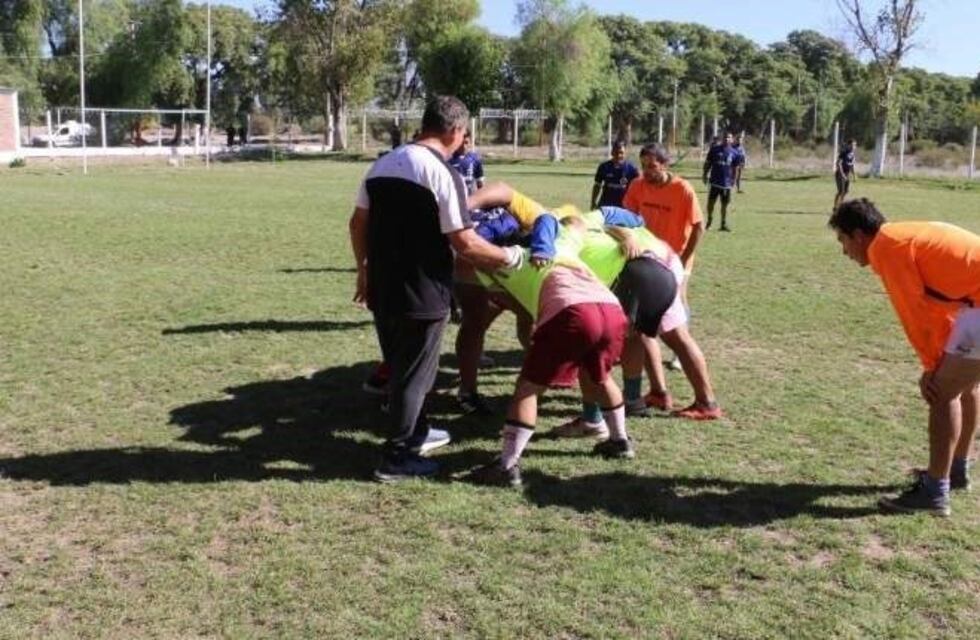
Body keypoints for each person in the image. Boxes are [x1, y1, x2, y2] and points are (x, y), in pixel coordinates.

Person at [349, 95, 523, 483]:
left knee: (402, 366)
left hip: (383, 287)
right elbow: (466, 243)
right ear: (457, 132)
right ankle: (397, 458)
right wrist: (511, 258)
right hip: (422, 291)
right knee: (416, 375)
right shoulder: (442, 173)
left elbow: (357, 223)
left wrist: (363, 269)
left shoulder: (382, 164)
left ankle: (418, 432)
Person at [829, 198, 980, 517]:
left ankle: (935, 492)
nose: (844, 252)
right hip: (973, 304)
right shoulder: (900, 236)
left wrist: (931, 366)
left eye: (842, 241)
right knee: (964, 386)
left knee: (941, 392)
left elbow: (915, 314)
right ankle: (956, 470)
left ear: (858, 235)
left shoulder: (887, 248)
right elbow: (940, 307)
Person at [467, 214, 635, 487]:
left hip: (573, 312)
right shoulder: (564, 244)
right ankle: (620, 441)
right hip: (611, 307)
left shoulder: (510, 257)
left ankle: (506, 466)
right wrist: (545, 236)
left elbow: (475, 258)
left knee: (528, 388)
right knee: (600, 377)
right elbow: (570, 221)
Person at [702, 132, 738, 231]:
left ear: (732, 140)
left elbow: (735, 168)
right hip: (714, 182)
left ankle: (723, 224)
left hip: (726, 184)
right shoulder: (714, 150)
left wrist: (734, 180)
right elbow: (708, 163)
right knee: (711, 203)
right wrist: (705, 174)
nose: (727, 139)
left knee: (725, 205)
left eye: (729, 137)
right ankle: (709, 221)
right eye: (725, 137)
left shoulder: (735, 153)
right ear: (722, 138)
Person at [590, 140, 640, 209]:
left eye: (621, 153)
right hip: (606, 205)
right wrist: (593, 202)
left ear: (625, 153)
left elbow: (639, 189)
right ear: (612, 152)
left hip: (624, 207)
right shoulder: (604, 167)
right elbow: (597, 185)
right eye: (616, 152)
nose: (619, 155)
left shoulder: (632, 169)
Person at [448, 131, 485, 195]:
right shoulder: (448, 159)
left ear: (470, 143)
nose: (463, 146)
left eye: (466, 142)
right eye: (461, 143)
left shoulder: (475, 159)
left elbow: (480, 183)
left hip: (470, 199)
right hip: (453, 198)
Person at [833, 139, 857, 211]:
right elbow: (838, 164)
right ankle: (835, 207)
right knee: (841, 191)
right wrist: (842, 174)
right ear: (848, 145)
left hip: (847, 174)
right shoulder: (843, 153)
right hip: (840, 174)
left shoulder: (852, 155)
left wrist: (854, 175)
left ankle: (840, 205)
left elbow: (852, 165)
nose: (853, 147)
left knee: (846, 191)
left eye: (855, 145)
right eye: (852, 145)